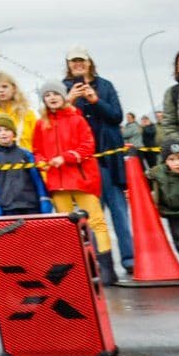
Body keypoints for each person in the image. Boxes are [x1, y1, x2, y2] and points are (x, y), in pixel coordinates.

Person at [33, 81, 118, 282]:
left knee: (96, 222)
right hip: (57, 183)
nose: (52, 98)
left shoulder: (77, 120)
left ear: (64, 97)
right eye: (47, 95)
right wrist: (41, 162)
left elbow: (88, 146)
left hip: (81, 179)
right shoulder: (41, 124)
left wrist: (67, 157)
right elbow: (36, 150)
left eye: (56, 94)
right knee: (67, 226)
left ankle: (107, 268)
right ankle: (79, 268)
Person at [62, 48, 133, 274]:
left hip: (109, 158)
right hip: (83, 162)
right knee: (92, 217)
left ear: (90, 62)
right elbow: (59, 121)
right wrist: (70, 101)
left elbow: (116, 115)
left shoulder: (105, 85)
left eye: (81, 60)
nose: (78, 65)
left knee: (119, 212)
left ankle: (129, 258)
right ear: (68, 64)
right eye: (74, 62)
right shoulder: (63, 88)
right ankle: (99, 263)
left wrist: (95, 100)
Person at [0, 114, 49, 225]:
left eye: (7, 129)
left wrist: (44, 199)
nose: (3, 133)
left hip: (31, 204)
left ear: (13, 133)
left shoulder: (25, 154)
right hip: (8, 207)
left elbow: (37, 179)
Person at [0, 71, 37, 149]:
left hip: (27, 158)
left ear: (14, 88)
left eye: (5, 86)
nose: (1, 90)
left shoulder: (27, 113)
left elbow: (37, 140)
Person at [146, 145, 179, 259]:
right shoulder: (159, 173)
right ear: (165, 161)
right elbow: (145, 178)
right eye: (171, 159)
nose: (177, 163)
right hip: (173, 214)